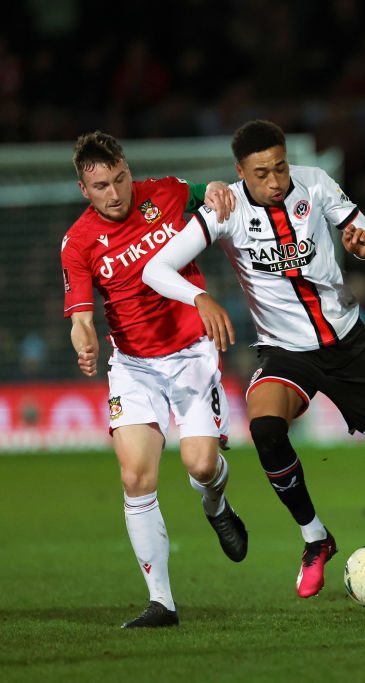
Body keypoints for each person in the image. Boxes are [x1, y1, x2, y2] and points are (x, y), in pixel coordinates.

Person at [142, 120, 365, 597]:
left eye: (280, 167)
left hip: (348, 343)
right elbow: (156, 268)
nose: (276, 180)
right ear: (241, 172)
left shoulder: (316, 184)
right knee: (264, 428)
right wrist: (198, 298)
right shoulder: (227, 208)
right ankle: (315, 537)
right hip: (284, 352)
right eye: (262, 173)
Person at [61, 131, 248, 629]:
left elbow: (206, 193)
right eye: (101, 186)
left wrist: (213, 188)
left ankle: (217, 503)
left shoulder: (165, 191)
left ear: (128, 168)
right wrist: (83, 337)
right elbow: (80, 313)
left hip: (192, 353)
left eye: (120, 178)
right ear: (85, 188)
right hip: (133, 365)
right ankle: (161, 602)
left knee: (201, 466)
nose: (115, 193)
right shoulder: (78, 242)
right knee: (134, 477)